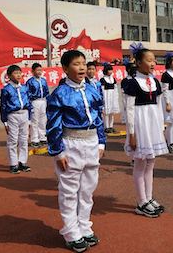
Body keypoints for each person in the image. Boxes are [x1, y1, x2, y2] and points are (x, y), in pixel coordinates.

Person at [46, 50, 105, 252]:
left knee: (88, 190)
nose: (82, 67)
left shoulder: (92, 90)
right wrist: (57, 152)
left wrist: (101, 143)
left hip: (91, 142)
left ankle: (85, 227)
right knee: (69, 191)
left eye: (83, 63)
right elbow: (53, 125)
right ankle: (71, 232)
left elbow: (99, 118)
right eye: (76, 64)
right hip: (70, 144)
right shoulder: (59, 94)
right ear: (65, 69)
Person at [124, 46, 168, 218]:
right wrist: (132, 134)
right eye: (149, 60)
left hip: (153, 125)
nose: (153, 63)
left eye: (154, 60)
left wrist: (161, 128)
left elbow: (159, 107)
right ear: (138, 62)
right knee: (140, 163)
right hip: (140, 126)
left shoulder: (156, 82)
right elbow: (129, 110)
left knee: (151, 162)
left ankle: (149, 198)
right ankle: (141, 202)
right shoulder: (132, 83)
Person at [0, 65, 32, 174]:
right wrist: (4, 122)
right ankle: (13, 164)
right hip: (12, 115)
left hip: (24, 114)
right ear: (9, 76)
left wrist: (30, 119)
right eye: (15, 73)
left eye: (20, 73)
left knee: (23, 140)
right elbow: (3, 106)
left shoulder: (25, 88)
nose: (18, 75)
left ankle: (23, 162)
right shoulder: (6, 90)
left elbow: (29, 103)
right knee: (13, 140)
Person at [26, 63, 49, 148]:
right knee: (34, 121)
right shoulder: (30, 82)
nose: (39, 72)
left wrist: (48, 102)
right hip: (35, 102)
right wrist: (30, 106)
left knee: (43, 120)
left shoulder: (43, 80)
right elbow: (27, 94)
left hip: (43, 101)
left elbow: (47, 92)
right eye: (37, 70)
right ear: (33, 71)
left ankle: (42, 137)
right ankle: (34, 139)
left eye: (40, 70)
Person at [99, 64, 120, 134]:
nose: (110, 71)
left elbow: (116, 88)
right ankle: (106, 127)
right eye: (109, 70)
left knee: (112, 113)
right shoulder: (103, 79)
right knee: (106, 113)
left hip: (112, 97)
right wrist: (103, 98)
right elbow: (102, 90)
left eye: (111, 70)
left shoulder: (113, 79)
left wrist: (116, 96)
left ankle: (111, 126)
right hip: (106, 97)